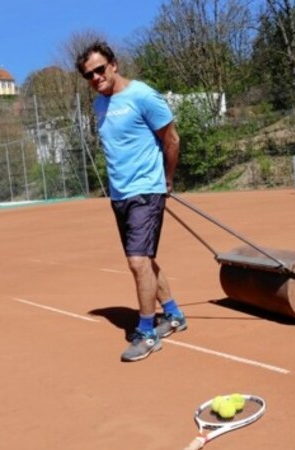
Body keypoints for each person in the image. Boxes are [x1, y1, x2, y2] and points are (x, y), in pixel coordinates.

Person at [76, 40, 186, 362]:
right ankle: (174, 314)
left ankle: (147, 332)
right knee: (146, 261)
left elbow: (172, 138)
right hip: (119, 194)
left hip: (146, 191)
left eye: (99, 69)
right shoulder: (99, 104)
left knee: (137, 262)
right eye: (88, 75)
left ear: (114, 64)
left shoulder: (142, 96)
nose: (96, 77)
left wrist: (166, 180)